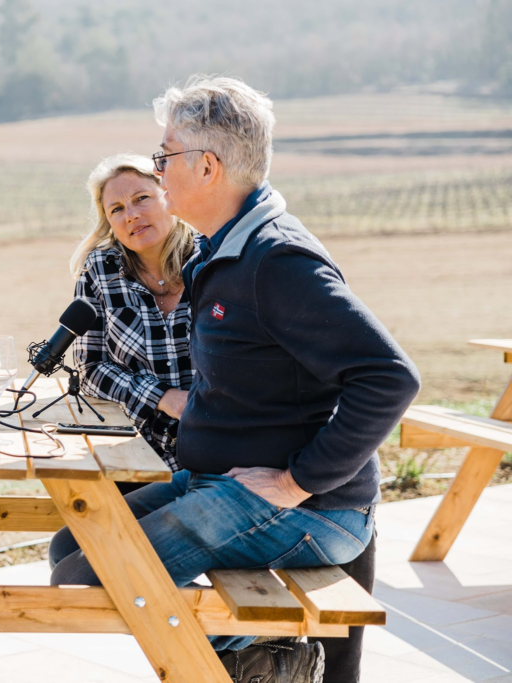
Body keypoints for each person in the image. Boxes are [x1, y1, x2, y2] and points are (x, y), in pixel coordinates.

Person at [48, 76, 420, 683]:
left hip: (311, 508)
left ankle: (278, 646)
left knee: (91, 579)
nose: (158, 171)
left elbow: (390, 377)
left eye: (165, 159)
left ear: (208, 167)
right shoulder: (220, 252)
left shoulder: (276, 260)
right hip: (223, 479)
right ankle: (256, 651)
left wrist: (300, 481)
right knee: (71, 548)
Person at [67, 154, 197, 489]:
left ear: (167, 195)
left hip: (220, 451)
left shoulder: (213, 260)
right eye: (117, 209)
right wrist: (161, 396)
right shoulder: (99, 271)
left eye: (141, 199)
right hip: (136, 452)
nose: (132, 215)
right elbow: (90, 368)